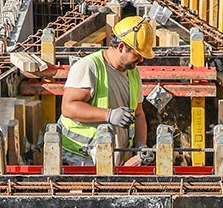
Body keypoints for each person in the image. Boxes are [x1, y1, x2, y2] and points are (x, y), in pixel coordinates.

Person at [57, 16, 154, 166]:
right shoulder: (89, 67)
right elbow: (68, 107)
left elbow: (139, 113)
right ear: (121, 47)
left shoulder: (133, 72)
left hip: (115, 158)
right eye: (137, 54)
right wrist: (109, 115)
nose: (141, 59)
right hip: (80, 158)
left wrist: (141, 145)